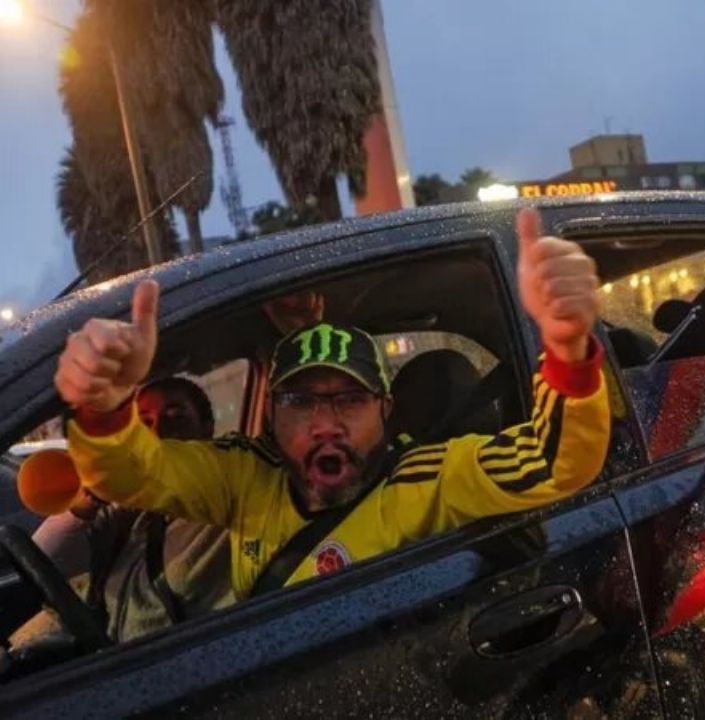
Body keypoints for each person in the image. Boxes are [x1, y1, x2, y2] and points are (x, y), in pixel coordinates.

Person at [53, 208, 611, 599]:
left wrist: (567, 350)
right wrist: (105, 410)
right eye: (300, 401)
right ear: (271, 415)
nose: (325, 424)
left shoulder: (425, 480)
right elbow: (136, 475)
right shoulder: (247, 477)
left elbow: (552, 462)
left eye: (349, 399)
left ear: (385, 411)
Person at [29, 377, 232, 642]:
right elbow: (43, 561)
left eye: (177, 417)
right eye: (144, 422)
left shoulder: (229, 500)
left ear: (207, 429)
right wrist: (86, 501)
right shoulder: (132, 509)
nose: (159, 431)